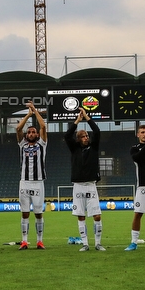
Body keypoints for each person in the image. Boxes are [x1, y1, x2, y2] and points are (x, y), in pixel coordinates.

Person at [65, 107, 104, 251]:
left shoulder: (94, 147)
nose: (86, 137)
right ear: (78, 139)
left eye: (87, 135)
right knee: (80, 216)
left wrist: (87, 118)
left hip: (91, 185)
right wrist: (77, 121)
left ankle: (98, 243)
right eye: (83, 136)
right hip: (78, 186)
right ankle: (85, 243)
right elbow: (67, 135)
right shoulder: (74, 149)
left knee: (97, 215)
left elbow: (97, 132)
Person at [16, 102, 48, 250]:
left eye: (33, 132)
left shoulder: (42, 144)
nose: (31, 134)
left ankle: (39, 241)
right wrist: (28, 115)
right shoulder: (22, 144)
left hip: (38, 182)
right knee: (24, 213)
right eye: (28, 132)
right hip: (24, 182)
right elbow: (18, 128)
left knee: (38, 213)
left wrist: (34, 110)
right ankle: (24, 241)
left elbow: (43, 127)